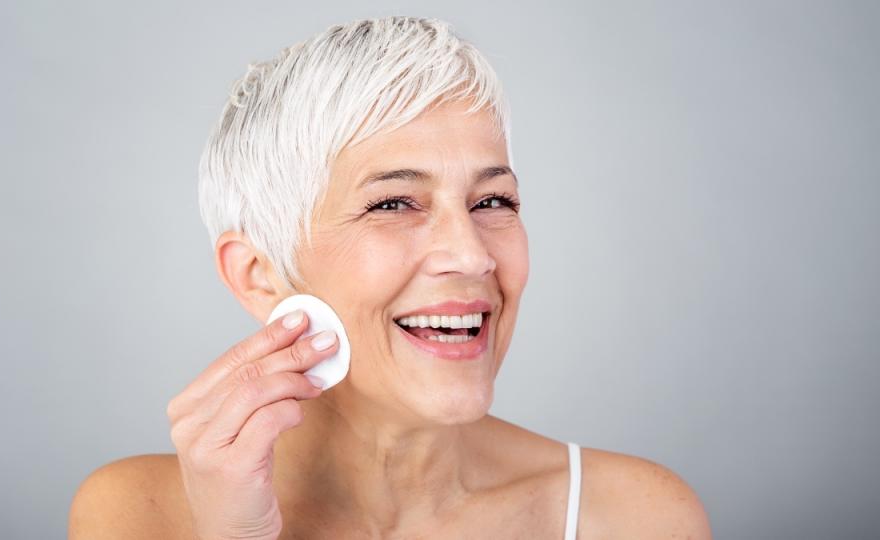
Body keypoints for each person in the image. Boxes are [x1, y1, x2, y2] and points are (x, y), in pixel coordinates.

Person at [68, 15, 711, 539]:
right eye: (393, 203)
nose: (472, 255)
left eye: (493, 202)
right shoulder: (134, 516)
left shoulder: (637, 516)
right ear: (261, 275)